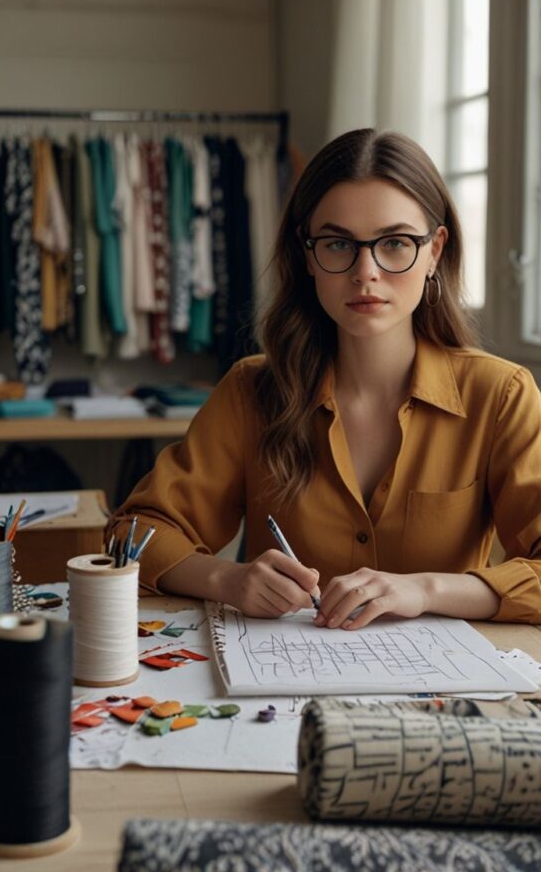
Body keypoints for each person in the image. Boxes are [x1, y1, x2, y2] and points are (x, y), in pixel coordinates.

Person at [109, 128, 541, 628]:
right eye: (338, 244)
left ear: (434, 251)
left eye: (395, 243)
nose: (365, 272)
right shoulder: (252, 392)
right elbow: (132, 534)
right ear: (308, 255)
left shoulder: (501, 396)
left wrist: (426, 589)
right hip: (279, 692)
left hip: (440, 691)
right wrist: (227, 579)